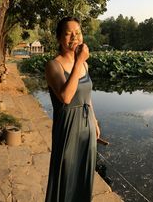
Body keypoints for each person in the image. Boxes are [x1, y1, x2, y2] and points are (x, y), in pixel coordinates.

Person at [45, 17, 100, 202]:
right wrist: (78, 62)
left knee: (84, 175)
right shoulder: (54, 65)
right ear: (59, 38)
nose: (74, 37)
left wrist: (94, 120)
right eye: (68, 33)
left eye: (78, 32)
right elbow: (66, 97)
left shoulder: (85, 64)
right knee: (66, 175)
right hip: (68, 128)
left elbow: (87, 97)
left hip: (87, 128)